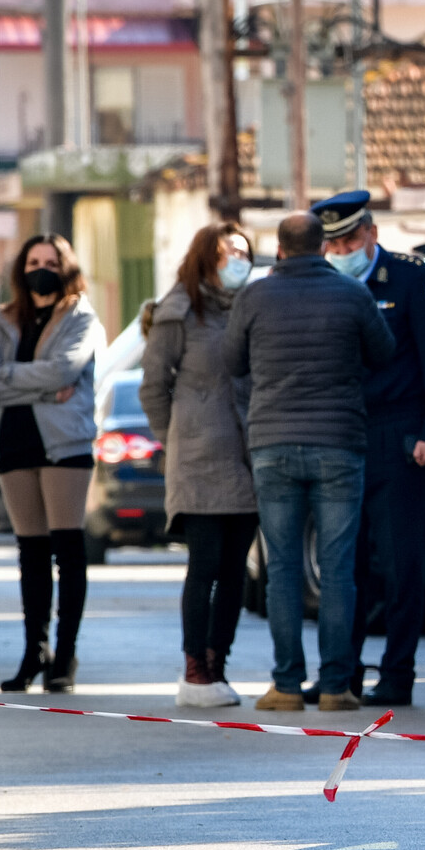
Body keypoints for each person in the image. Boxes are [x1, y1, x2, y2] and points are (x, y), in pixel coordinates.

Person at [226, 209, 396, 712]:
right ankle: (336, 686)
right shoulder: (352, 293)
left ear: (279, 250)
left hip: (273, 443)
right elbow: (384, 352)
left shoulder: (253, 296)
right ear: (323, 247)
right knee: (338, 568)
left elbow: (231, 361)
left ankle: (285, 684)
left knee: (282, 569)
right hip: (338, 441)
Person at [313, 192, 425, 709]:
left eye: (349, 241)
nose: (341, 251)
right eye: (332, 244)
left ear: (372, 233)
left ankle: (398, 673)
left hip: (398, 435)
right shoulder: (322, 280)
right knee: (343, 564)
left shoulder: (409, 279)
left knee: (400, 563)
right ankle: (341, 674)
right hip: (340, 432)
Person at [0, 235, 105, 693]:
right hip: (15, 442)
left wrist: (13, 377)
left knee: (67, 550)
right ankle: (34, 652)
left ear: (65, 267)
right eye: (33, 261)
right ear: (21, 268)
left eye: (50, 261)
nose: (41, 269)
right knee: (30, 553)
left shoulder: (81, 317)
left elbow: (65, 370)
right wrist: (44, 389)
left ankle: (64, 656)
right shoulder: (4, 318)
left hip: (64, 444)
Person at [143, 223, 257, 709]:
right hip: (199, 458)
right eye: (229, 252)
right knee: (205, 564)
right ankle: (194, 668)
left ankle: (217, 664)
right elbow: (153, 386)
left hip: (247, 456)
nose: (238, 260)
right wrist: (177, 436)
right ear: (206, 257)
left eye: (244, 252)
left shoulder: (252, 305)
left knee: (235, 570)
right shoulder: (178, 311)